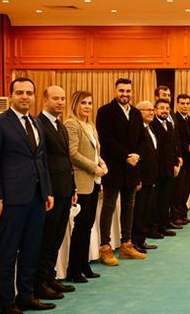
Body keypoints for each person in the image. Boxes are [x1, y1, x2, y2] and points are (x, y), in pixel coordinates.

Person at [0, 77, 55, 314]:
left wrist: (47, 191)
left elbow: (41, 160)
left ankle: (26, 296)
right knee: (8, 252)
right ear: (10, 96)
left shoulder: (36, 122)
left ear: (34, 96)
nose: (25, 96)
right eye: (20, 92)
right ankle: (7, 303)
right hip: (11, 200)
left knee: (31, 249)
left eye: (29, 93)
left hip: (37, 197)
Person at [95, 77, 145, 265]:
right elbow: (106, 141)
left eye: (128, 91)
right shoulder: (105, 111)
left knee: (128, 206)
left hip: (132, 167)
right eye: (121, 90)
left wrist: (137, 155)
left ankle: (126, 245)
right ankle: (105, 247)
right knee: (109, 206)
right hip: (114, 167)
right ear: (115, 91)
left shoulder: (137, 113)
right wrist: (126, 156)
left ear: (132, 92)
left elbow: (142, 139)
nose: (125, 94)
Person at [35, 86, 77, 300]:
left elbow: (66, 158)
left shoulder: (60, 125)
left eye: (62, 98)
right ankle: (40, 283)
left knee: (57, 238)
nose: (60, 102)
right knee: (46, 239)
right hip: (50, 192)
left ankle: (50, 277)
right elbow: (41, 161)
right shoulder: (38, 124)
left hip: (65, 189)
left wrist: (73, 187)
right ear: (45, 100)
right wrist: (46, 191)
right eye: (55, 98)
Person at [65, 90, 107, 283]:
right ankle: (73, 269)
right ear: (75, 104)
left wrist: (102, 163)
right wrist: (93, 167)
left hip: (93, 182)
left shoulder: (90, 125)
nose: (87, 106)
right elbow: (72, 153)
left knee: (88, 226)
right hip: (81, 183)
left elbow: (96, 152)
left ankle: (83, 265)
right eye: (83, 103)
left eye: (90, 103)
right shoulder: (71, 124)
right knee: (81, 227)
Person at [132, 100, 160, 253]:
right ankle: (134, 242)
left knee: (146, 210)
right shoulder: (136, 130)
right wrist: (137, 178)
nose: (151, 112)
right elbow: (136, 156)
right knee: (139, 211)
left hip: (151, 177)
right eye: (147, 110)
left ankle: (142, 240)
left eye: (152, 109)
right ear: (139, 112)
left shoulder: (150, 128)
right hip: (141, 178)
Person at [150, 98, 182, 234]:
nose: (164, 111)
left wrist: (176, 164)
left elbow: (173, 147)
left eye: (167, 108)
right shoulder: (151, 125)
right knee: (155, 200)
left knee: (165, 199)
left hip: (169, 168)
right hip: (157, 169)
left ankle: (164, 225)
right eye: (161, 108)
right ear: (155, 110)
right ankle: (155, 227)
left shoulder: (169, 124)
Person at [172, 94, 190, 223]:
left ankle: (183, 214)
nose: (185, 106)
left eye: (187, 103)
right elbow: (175, 139)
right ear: (177, 104)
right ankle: (175, 216)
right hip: (179, 158)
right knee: (177, 189)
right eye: (182, 103)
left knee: (186, 188)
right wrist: (187, 146)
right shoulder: (174, 119)